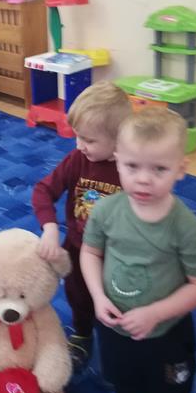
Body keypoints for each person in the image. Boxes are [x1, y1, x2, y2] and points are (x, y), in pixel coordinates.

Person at [81, 108, 196, 393]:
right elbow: (90, 253)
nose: (143, 179)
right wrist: (97, 296)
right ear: (117, 161)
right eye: (132, 166)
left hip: (166, 336)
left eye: (159, 168)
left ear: (181, 169)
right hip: (114, 325)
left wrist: (155, 313)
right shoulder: (106, 210)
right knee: (121, 376)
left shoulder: (190, 231)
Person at [32, 81, 131, 371]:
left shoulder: (132, 169)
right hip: (77, 247)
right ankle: (82, 334)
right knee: (78, 295)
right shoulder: (77, 159)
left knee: (120, 303)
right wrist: (50, 227)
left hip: (118, 256)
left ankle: (117, 344)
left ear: (119, 139)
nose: (79, 145)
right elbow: (43, 190)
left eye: (88, 139)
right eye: (77, 136)